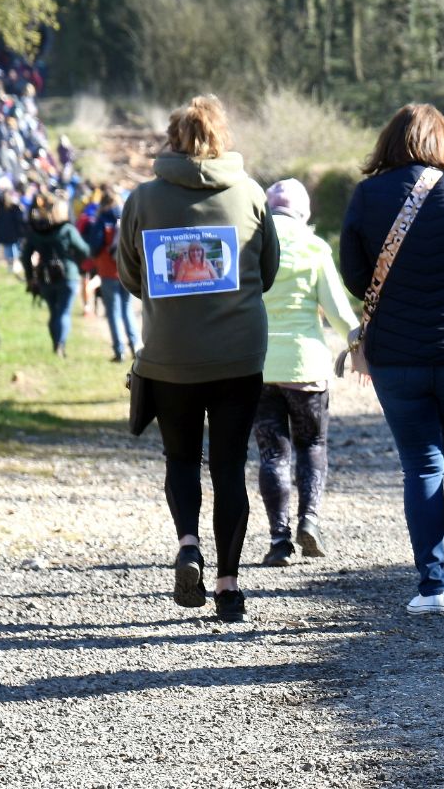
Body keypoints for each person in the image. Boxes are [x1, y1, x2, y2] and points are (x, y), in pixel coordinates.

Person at [339, 103, 444, 615]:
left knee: (421, 464)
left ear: (389, 144)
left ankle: (430, 586)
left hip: (397, 353)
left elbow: (354, 275)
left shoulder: (367, 196)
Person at [117, 94, 279, 623]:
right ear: (221, 138)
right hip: (238, 355)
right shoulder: (251, 194)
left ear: (173, 139)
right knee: (230, 465)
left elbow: (131, 276)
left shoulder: (142, 200)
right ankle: (229, 586)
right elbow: (269, 269)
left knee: (182, 460)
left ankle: (188, 544)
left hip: (170, 357)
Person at [254, 178, 359, 567]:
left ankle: (279, 540)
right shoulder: (314, 248)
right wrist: (358, 344)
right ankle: (309, 520)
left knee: (272, 455)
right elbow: (337, 311)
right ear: (305, 212)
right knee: (311, 446)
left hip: (259, 367)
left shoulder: (253, 245)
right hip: (306, 368)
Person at [22, 194, 91, 357]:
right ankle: (60, 344)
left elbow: (25, 256)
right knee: (63, 312)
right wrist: (76, 260)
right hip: (67, 274)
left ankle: (56, 344)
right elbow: (85, 250)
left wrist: (30, 277)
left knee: (54, 312)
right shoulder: (67, 230)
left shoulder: (35, 232)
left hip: (45, 277)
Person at [85, 189, 139, 362]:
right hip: (127, 270)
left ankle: (119, 351)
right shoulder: (126, 217)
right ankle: (135, 346)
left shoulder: (102, 219)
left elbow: (94, 246)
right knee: (127, 310)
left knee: (113, 312)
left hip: (108, 271)